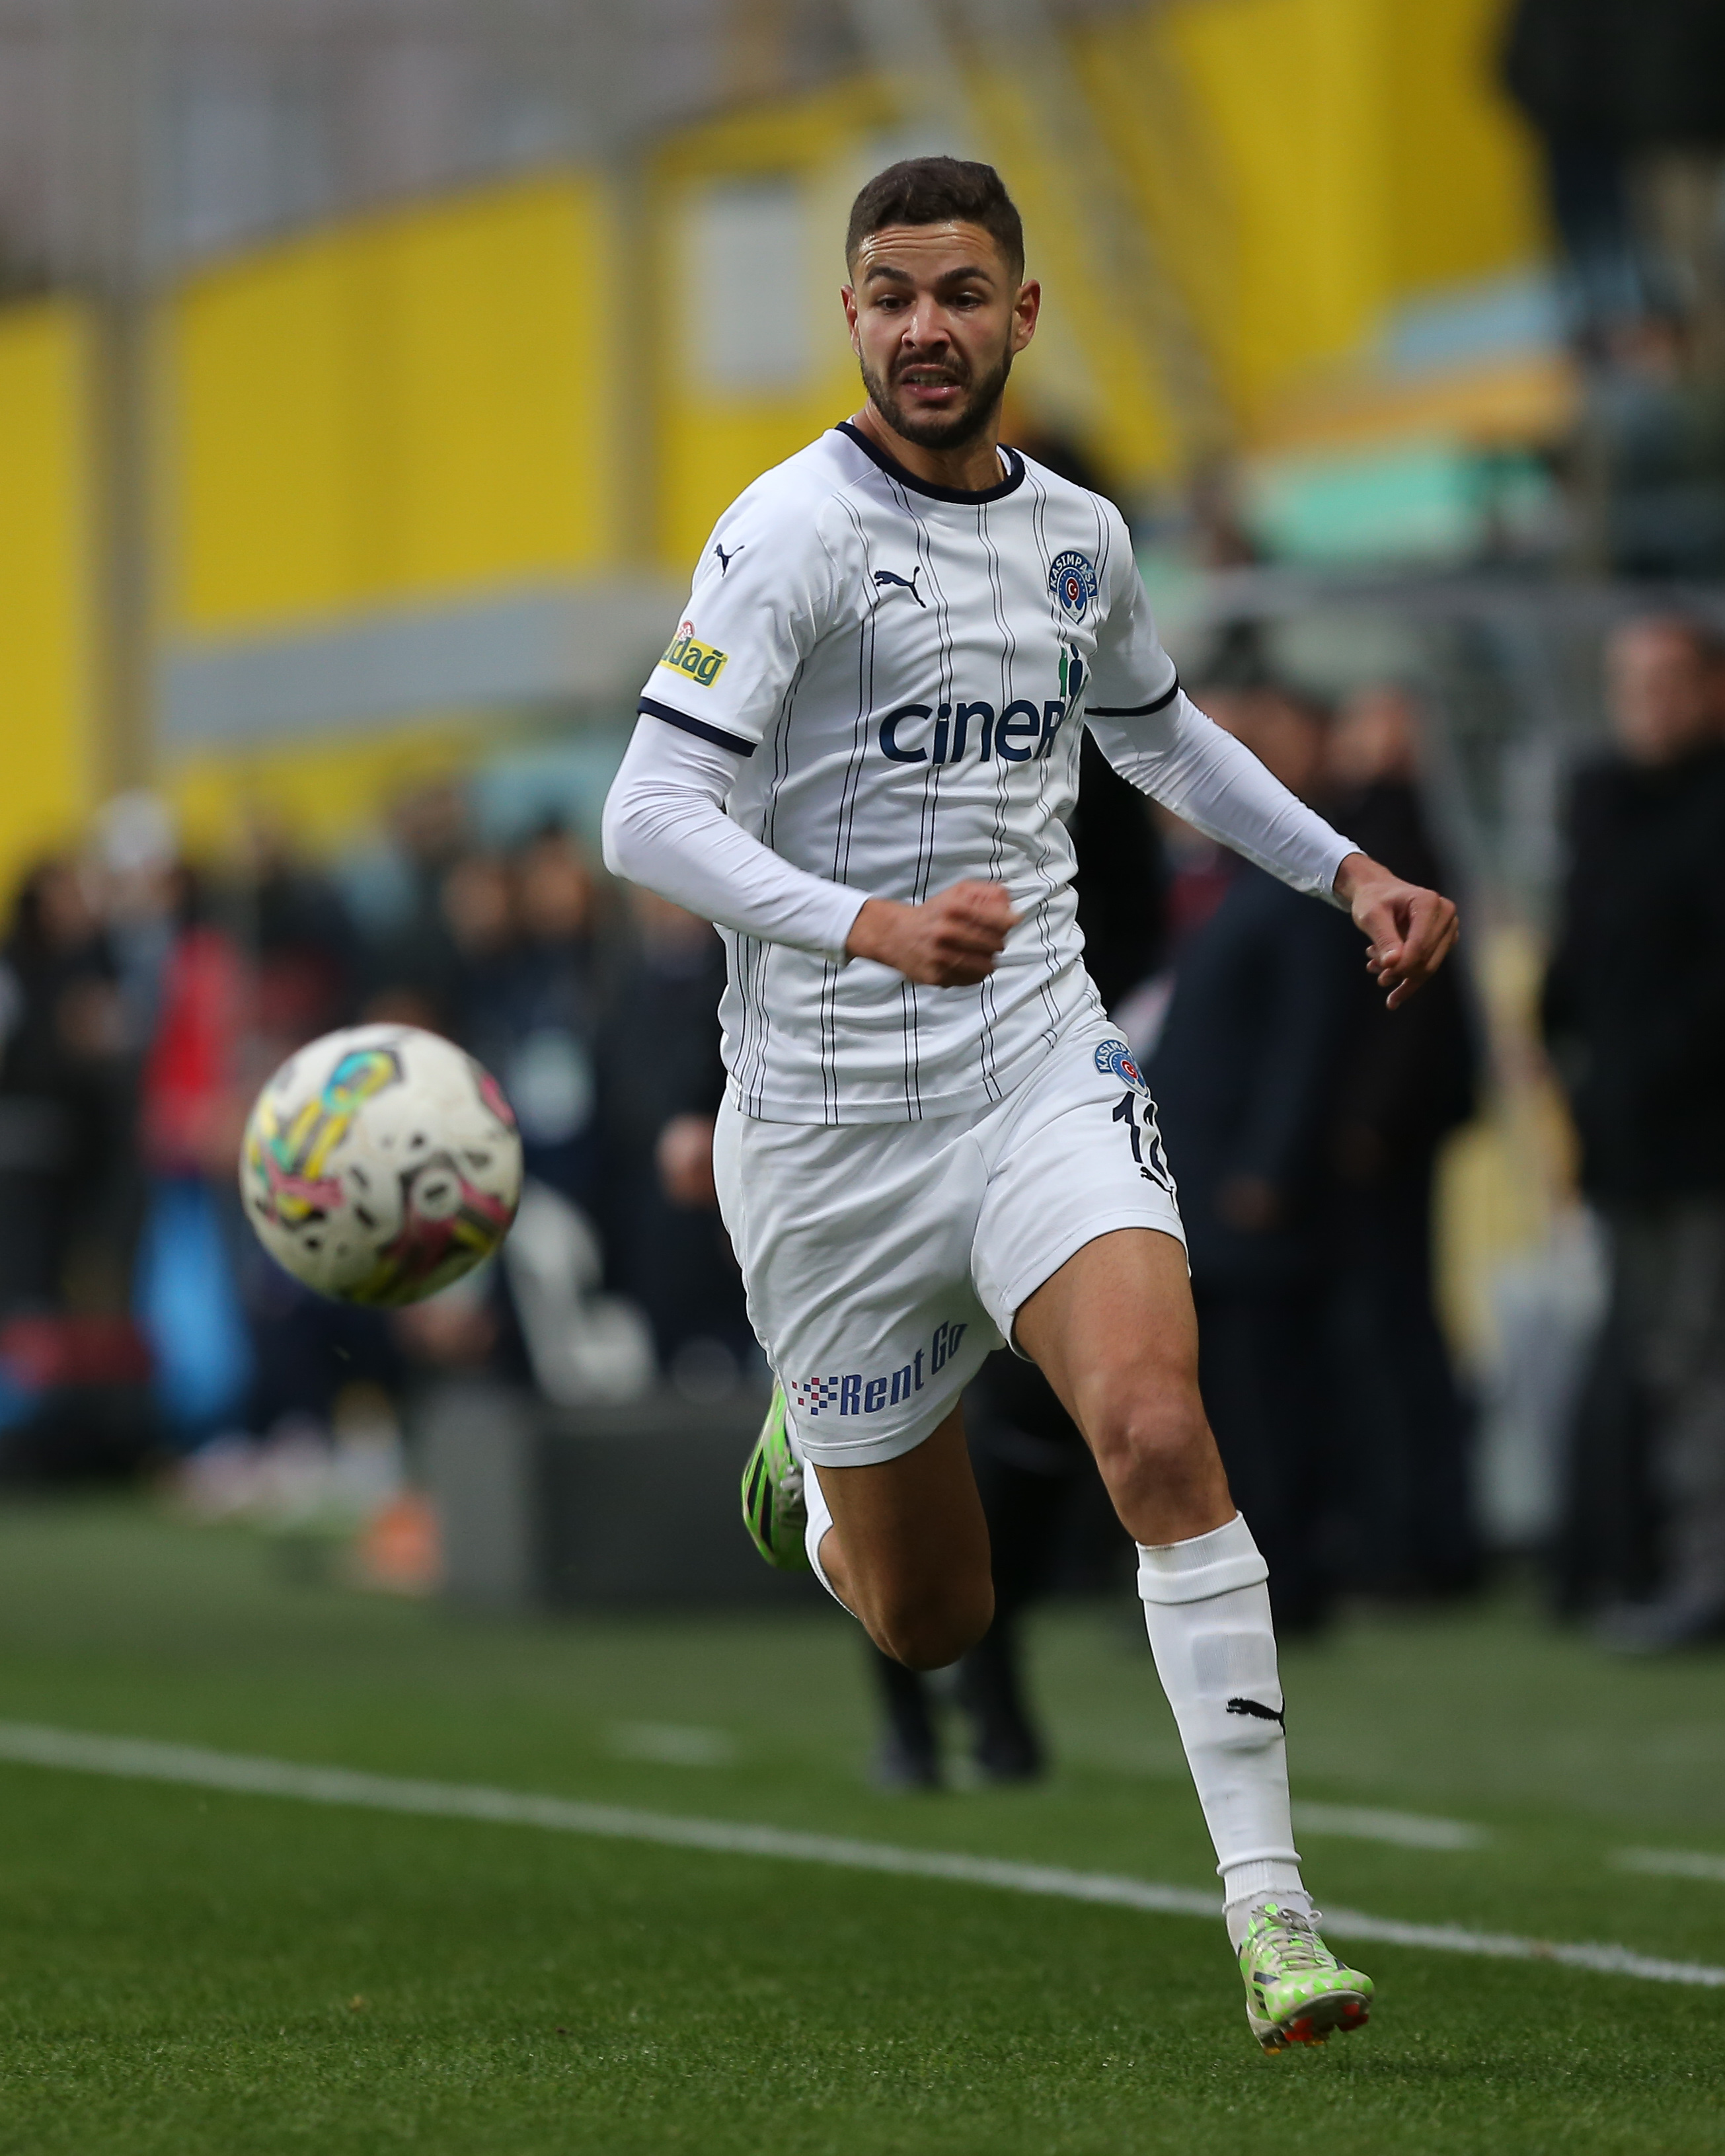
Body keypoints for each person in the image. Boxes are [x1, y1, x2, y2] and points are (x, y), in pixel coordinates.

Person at [601, 157, 1457, 2052]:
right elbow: (645, 814)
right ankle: (822, 1480)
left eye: (963, 293)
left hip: (1032, 1070)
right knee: (934, 1619)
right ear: (852, 315)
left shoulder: (1079, 535)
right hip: (826, 1136)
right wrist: (868, 923)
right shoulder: (788, 532)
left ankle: (1274, 1909)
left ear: (1022, 314)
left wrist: (1346, 870)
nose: (929, 327)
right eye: (894, 294)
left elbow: (1156, 733)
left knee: (1154, 1423)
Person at [1146, 683, 1360, 1635]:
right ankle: (1233, 1578)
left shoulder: (1286, 883)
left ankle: (1290, 1577)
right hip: (1196, 1181)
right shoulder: (1204, 885)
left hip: (1248, 1191)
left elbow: (1306, 1043)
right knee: (1223, 1392)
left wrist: (1270, 1168)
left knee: (1272, 1391)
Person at [1543, 612, 1725, 1647]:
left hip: (1699, 1141)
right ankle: (1651, 1560)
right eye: (1631, 683)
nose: (1645, 704)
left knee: (1698, 1362)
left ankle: (1703, 1574)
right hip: (1624, 1142)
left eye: (1666, 681)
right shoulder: (1600, 800)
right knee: (1657, 1359)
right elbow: (1580, 956)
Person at [1322, 688, 1480, 1601]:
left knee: (1387, 1332)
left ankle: (1414, 1538)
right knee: (1398, 1329)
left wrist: (1367, 1120)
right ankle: (1420, 1533)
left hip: (1382, 1138)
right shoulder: (1411, 832)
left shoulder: (1388, 842)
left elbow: (1404, 1008)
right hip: (1396, 1129)